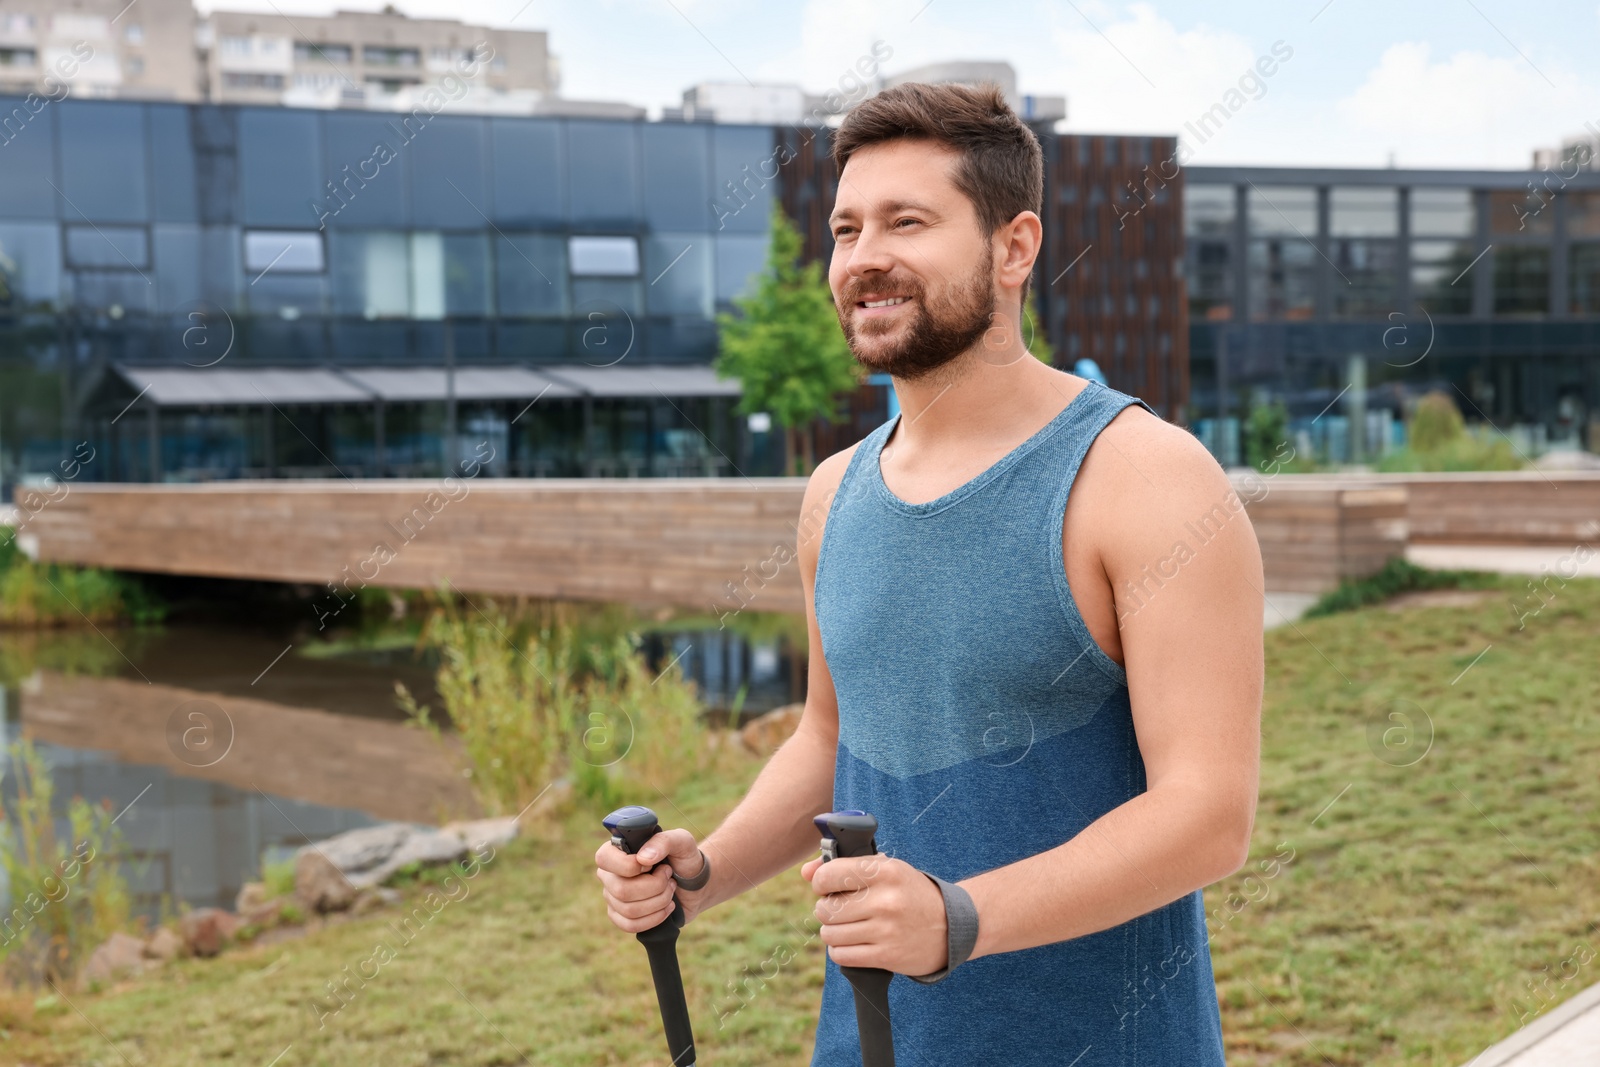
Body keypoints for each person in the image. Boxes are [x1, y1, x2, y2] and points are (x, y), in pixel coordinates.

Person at [595, 81, 1262, 1065]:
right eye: (845, 227)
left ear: (1013, 246)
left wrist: (958, 916)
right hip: (872, 1042)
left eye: (907, 221)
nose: (864, 258)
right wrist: (701, 873)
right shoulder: (832, 494)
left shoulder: (1148, 479)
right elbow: (830, 737)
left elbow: (1207, 813)